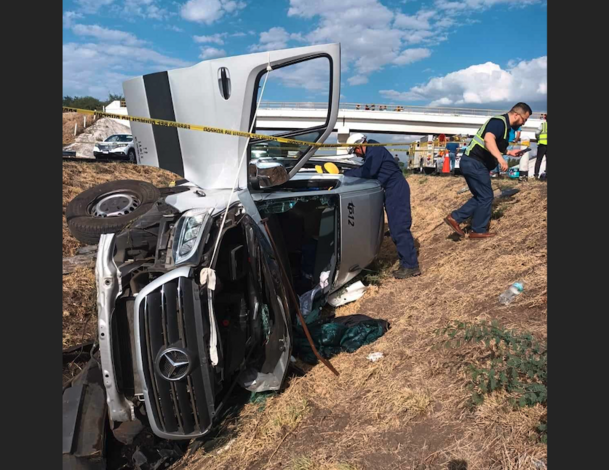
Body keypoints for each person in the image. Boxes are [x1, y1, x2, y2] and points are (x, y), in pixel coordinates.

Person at [444, 103, 532, 239]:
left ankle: (455, 218)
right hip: (475, 163)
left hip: (474, 163)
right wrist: (501, 159)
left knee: (482, 195)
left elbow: (494, 145)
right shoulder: (498, 122)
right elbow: (488, 139)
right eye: (524, 119)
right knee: (486, 196)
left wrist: (509, 152)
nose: (523, 123)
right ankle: (477, 229)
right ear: (516, 115)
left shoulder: (504, 127)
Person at [344, 133, 421, 279]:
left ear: (360, 145)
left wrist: (346, 173)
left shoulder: (374, 150)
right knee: (396, 228)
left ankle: (411, 266)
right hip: (392, 190)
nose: (357, 154)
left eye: (355, 151)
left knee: (399, 228)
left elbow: (368, 172)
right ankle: (407, 263)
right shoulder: (372, 152)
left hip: (396, 189)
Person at [534, 114, 547, 179]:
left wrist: (538, 138)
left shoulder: (543, 125)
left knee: (539, 160)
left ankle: (536, 175)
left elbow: (536, 133)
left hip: (542, 145)